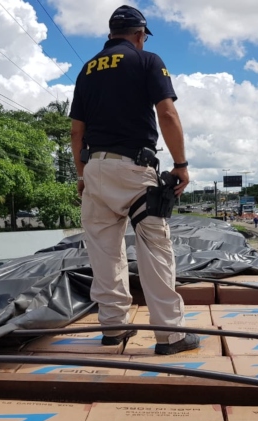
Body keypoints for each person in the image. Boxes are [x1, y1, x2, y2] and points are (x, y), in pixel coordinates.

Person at [69, 5, 199, 355]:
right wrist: (181, 164)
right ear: (140, 35)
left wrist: (83, 177)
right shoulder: (147, 60)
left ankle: (113, 329)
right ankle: (170, 336)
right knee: (154, 248)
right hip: (133, 169)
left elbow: (76, 132)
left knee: (104, 253)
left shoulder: (86, 70)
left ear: (110, 34)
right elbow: (167, 113)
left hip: (95, 168)